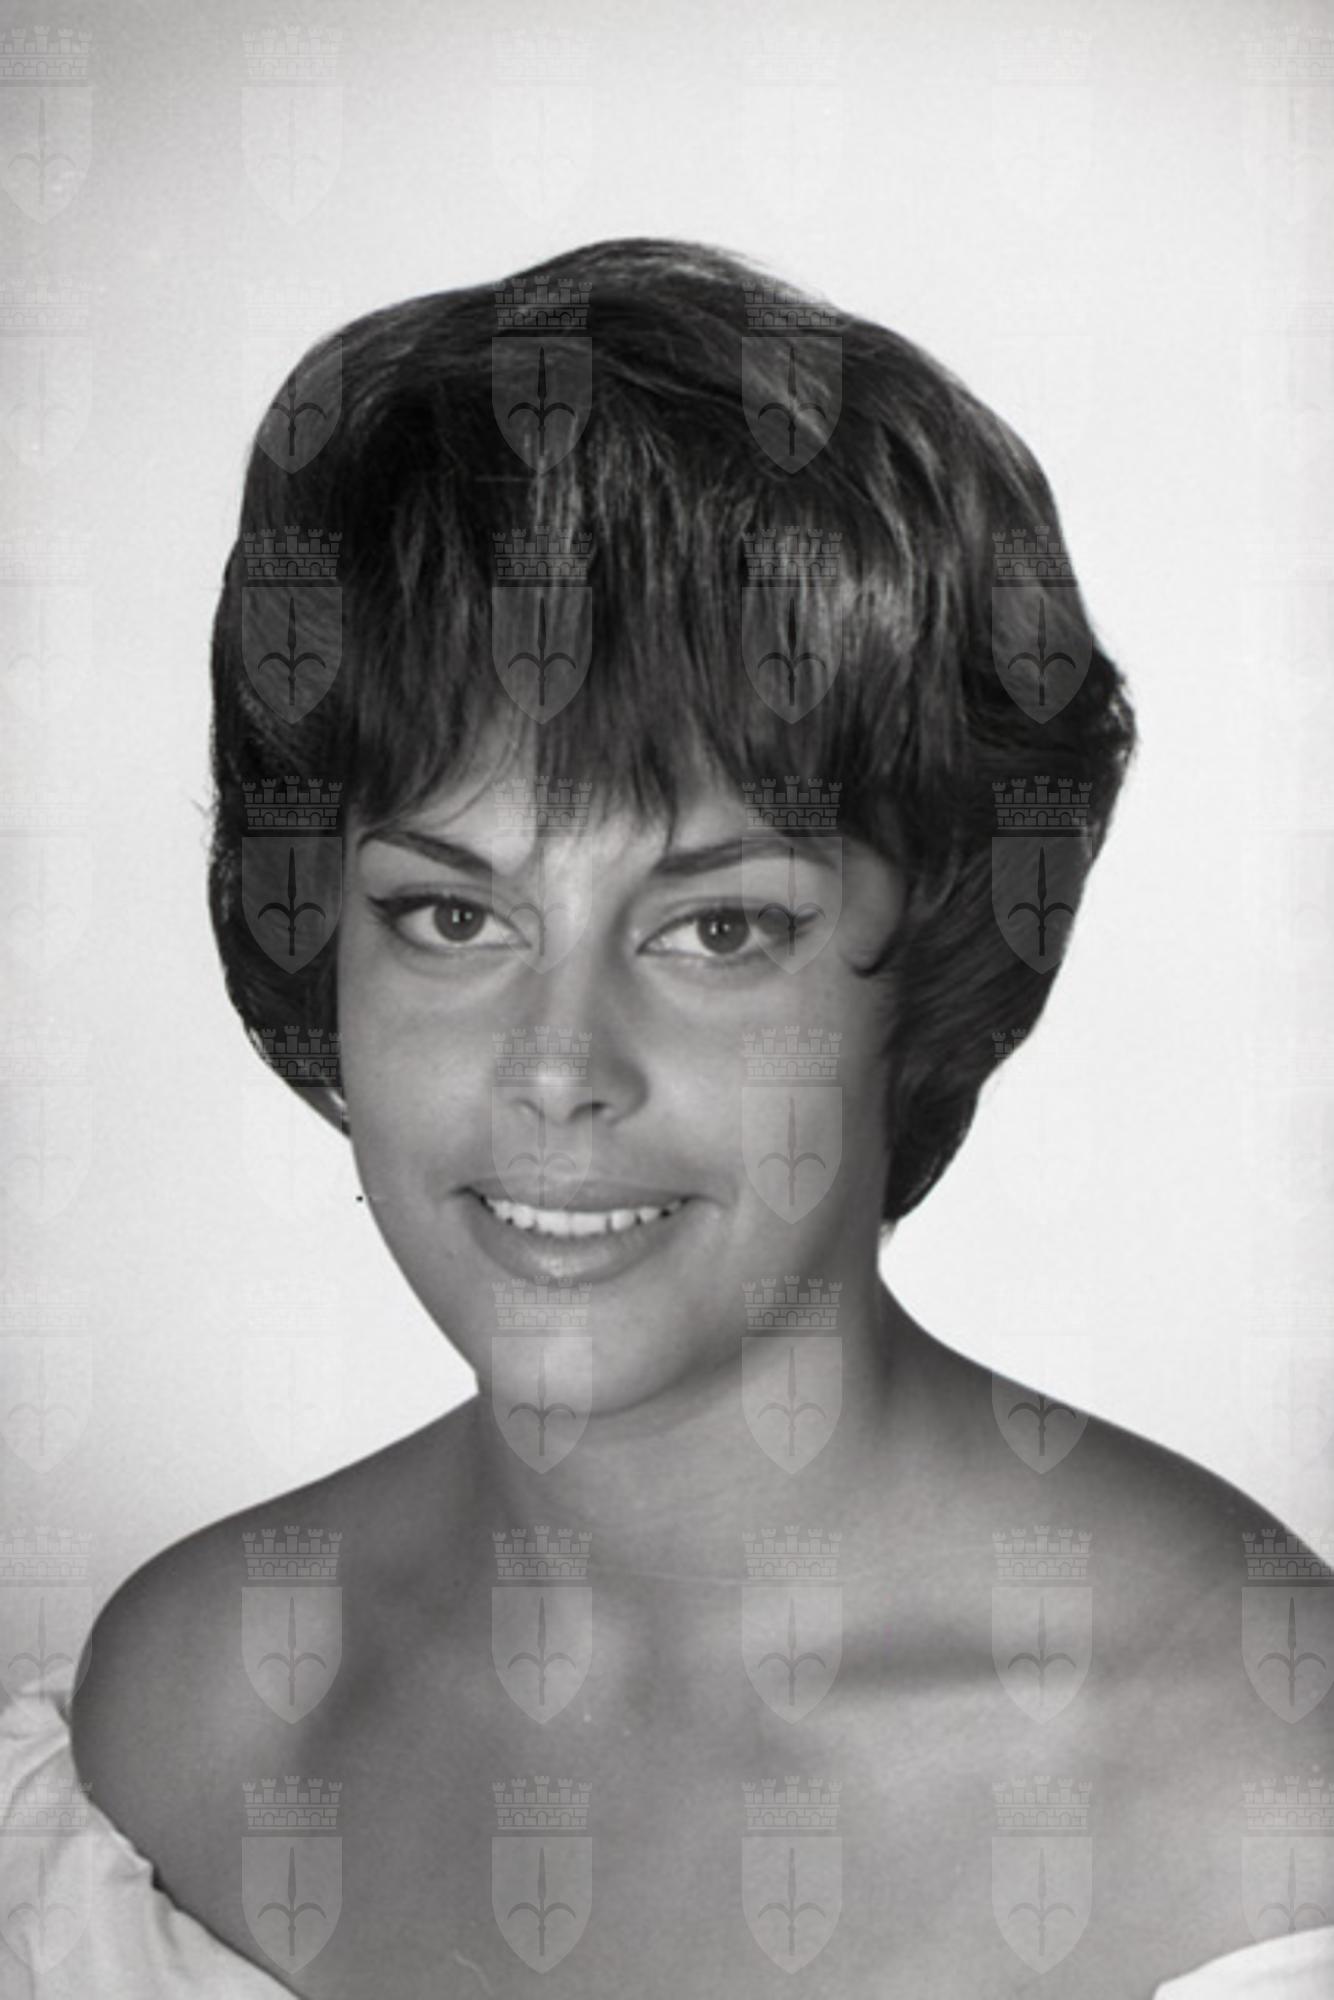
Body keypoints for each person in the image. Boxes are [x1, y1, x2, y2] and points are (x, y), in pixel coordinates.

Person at [4, 240, 1329, 1998]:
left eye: (717, 929)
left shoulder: (1252, 1782)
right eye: (451, 915)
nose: (558, 1067)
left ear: (935, 960)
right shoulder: (193, 1707)